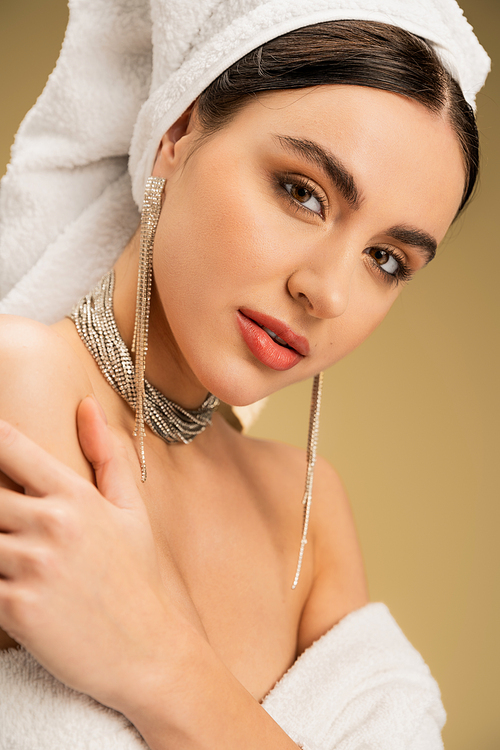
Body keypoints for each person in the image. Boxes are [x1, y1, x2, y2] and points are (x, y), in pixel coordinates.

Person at [0, 1, 490, 748]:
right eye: (302, 191)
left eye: (386, 259)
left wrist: (158, 664)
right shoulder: (20, 385)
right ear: (179, 132)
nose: (326, 291)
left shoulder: (307, 511)